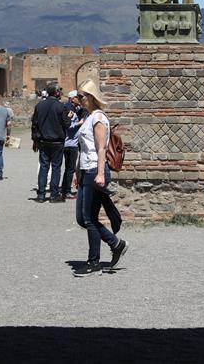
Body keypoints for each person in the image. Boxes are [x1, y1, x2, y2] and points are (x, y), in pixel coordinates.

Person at [75, 79, 128, 273]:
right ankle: (115, 244)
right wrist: (77, 172)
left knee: (89, 218)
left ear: (90, 97)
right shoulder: (89, 117)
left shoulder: (98, 118)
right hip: (86, 170)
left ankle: (94, 262)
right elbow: (83, 148)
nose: (78, 100)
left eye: (81, 96)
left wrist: (99, 174)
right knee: (82, 218)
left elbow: (101, 148)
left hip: (95, 171)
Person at [31, 84, 69, 203]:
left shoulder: (39, 105)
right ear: (56, 93)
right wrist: (69, 117)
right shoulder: (60, 106)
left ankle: (41, 195)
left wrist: (35, 140)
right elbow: (66, 124)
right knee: (56, 168)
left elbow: (34, 124)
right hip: (57, 141)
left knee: (44, 167)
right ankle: (53, 195)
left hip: (43, 140)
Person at [60, 90, 83, 199]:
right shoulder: (69, 109)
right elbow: (68, 126)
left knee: (69, 168)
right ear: (72, 98)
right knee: (70, 168)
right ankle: (66, 191)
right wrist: (80, 123)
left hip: (71, 142)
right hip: (70, 143)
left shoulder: (72, 108)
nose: (79, 99)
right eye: (77, 97)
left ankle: (65, 190)